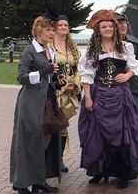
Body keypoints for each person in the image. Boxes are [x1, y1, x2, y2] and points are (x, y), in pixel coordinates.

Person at [78, 9, 138, 189]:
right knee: (98, 135)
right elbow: (87, 76)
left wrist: (127, 75)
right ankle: (100, 171)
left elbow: (134, 67)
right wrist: (89, 99)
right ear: (98, 30)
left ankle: (123, 173)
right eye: (103, 26)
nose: (107, 29)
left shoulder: (125, 47)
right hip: (99, 95)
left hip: (120, 95)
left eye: (110, 26)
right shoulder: (92, 51)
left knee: (123, 134)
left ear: (115, 28)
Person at [10, 15, 68, 194]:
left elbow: (48, 78)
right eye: (48, 30)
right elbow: (22, 77)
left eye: (53, 29)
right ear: (38, 31)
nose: (52, 32)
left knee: (46, 141)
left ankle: (38, 181)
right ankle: (21, 184)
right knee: (29, 142)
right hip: (31, 103)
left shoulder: (48, 50)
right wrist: (44, 71)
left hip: (48, 102)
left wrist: (57, 82)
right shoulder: (30, 50)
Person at [52, 14, 81, 173]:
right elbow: (50, 68)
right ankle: (51, 159)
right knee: (53, 125)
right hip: (55, 91)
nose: (63, 28)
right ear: (55, 27)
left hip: (70, 93)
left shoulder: (72, 46)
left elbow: (78, 68)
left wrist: (75, 84)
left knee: (64, 125)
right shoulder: (50, 46)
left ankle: (60, 159)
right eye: (60, 25)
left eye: (66, 25)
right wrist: (62, 84)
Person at [116, 13, 138, 131]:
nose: (123, 25)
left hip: (133, 86)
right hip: (114, 86)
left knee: (135, 118)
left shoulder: (135, 42)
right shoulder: (106, 44)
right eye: (119, 23)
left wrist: (129, 70)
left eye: (124, 23)